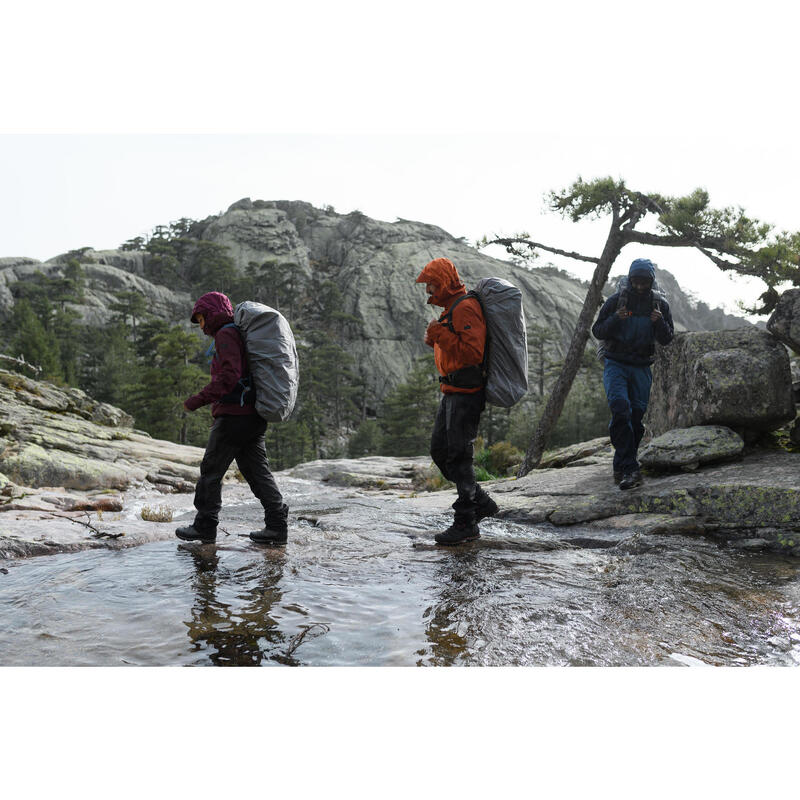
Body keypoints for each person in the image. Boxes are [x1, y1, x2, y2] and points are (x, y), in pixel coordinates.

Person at [175, 291, 289, 545]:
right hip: (252, 416)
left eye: (201, 319)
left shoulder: (226, 335)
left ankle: (205, 526)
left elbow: (229, 377)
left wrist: (198, 400)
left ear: (212, 313)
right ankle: (277, 527)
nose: (201, 326)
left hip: (235, 417)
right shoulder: (234, 334)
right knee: (257, 472)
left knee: (211, 472)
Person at [416, 257, 498, 545]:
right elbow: (455, 348)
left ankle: (466, 522)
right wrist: (437, 340)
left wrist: (441, 335)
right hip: (451, 392)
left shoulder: (465, 307)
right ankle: (481, 501)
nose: (428, 291)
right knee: (440, 452)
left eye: (431, 285)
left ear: (445, 282)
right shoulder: (452, 309)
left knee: (460, 457)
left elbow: (472, 353)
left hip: (466, 394)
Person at [591, 258, 675, 490]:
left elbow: (667, 339)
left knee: (636, 418)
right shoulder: (617, 301)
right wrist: (616, 318)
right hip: (615, 363)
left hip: (641, 367)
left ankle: (621, 463)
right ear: (630, 279)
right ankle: (630, 469)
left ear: (650, 281)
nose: (639, 286)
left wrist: (658, 323)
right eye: (636, 281)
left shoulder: (660, 305)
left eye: (644, 282)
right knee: (620, 408)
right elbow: (598, 330)